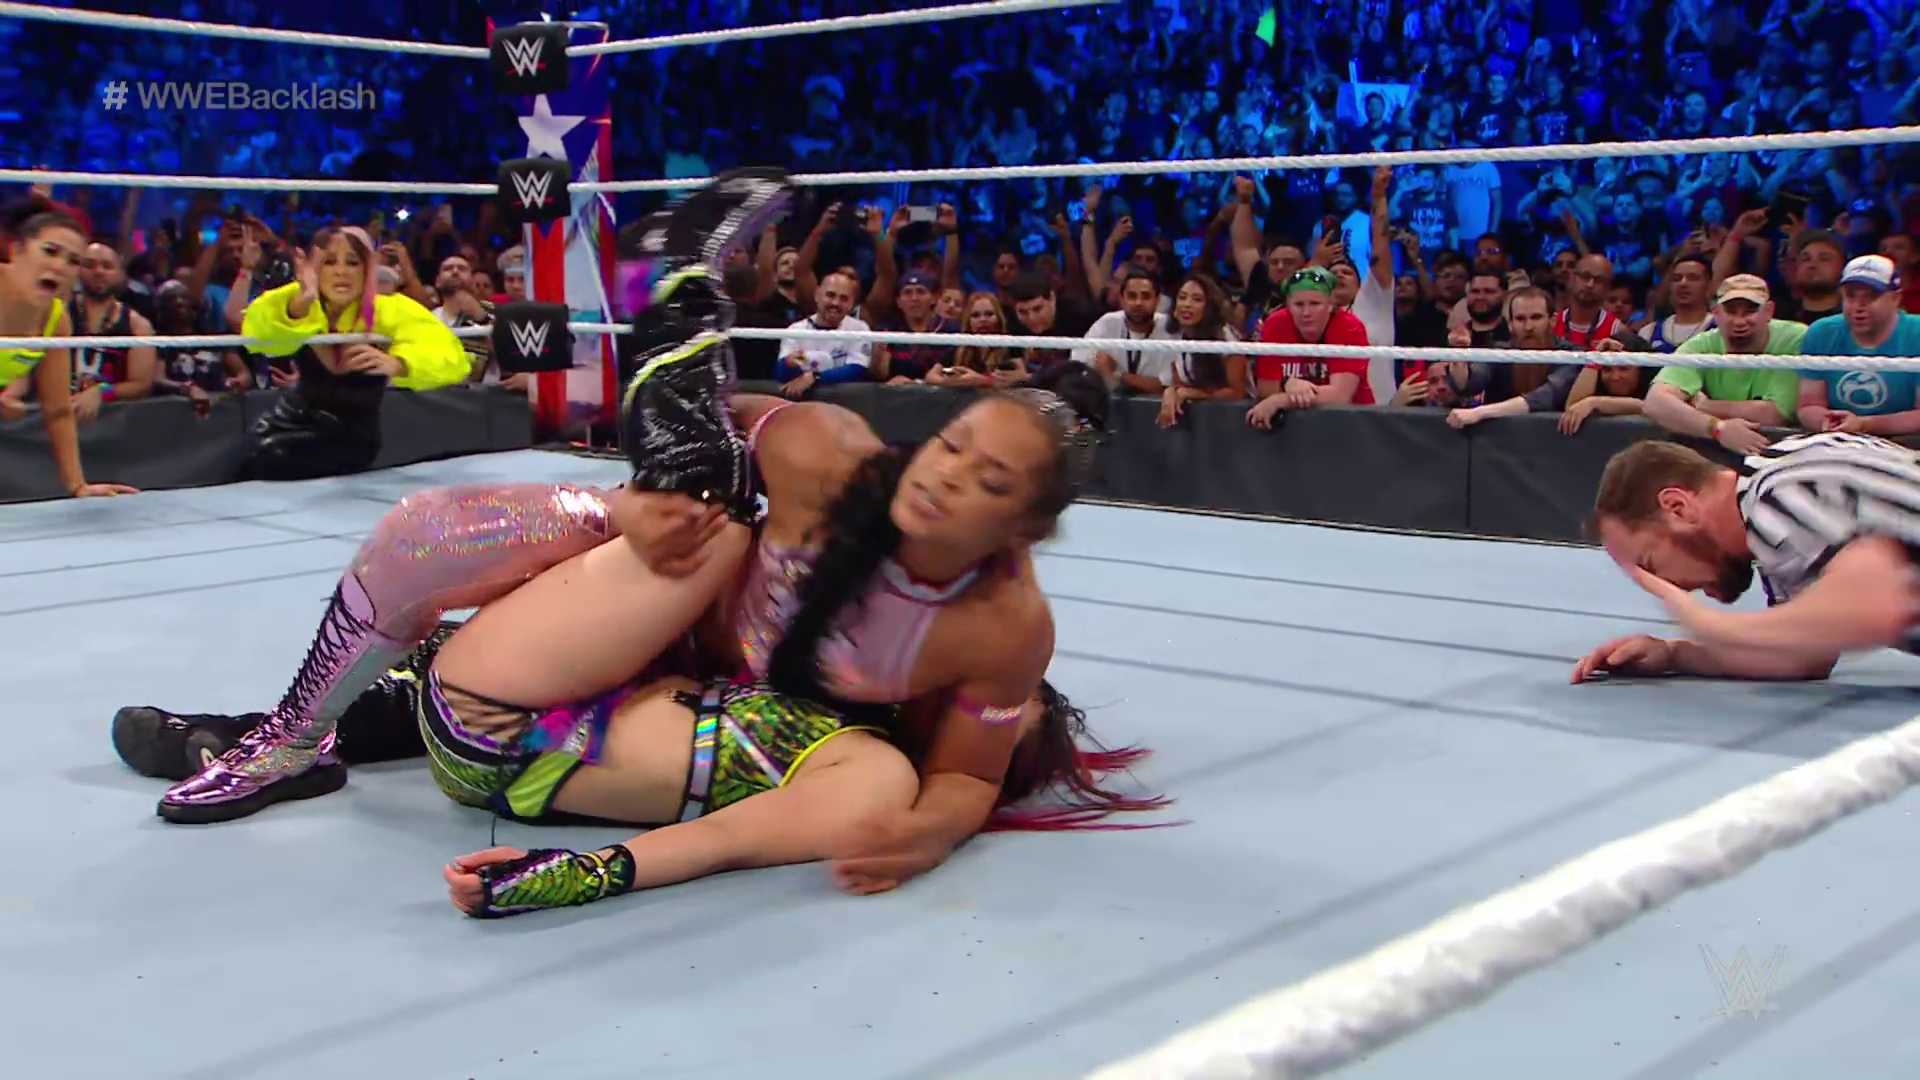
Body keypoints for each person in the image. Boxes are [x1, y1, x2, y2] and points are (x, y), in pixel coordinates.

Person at [151, 170, 1155, 895]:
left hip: (594, 686)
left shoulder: (990, 645)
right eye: (951, 445)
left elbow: (966, 777)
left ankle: (278, 737)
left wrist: (926, 835)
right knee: (702, 518)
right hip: (653, 589)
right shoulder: (831, 458)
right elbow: (717, 427)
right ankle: (281, 735)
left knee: (603, 590)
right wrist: (640, 497)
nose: (945, 477)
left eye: (988, 481)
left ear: (1025, 531)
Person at [1573, 432, 1920, 684]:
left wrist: (1710, 625)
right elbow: (1804, 656)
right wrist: (1675, 654)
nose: (1667, 586)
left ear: (1677, 508)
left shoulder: (1778, 498)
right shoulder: (1777, 479)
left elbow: (1872, 607)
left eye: (1650, 564)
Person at [241, 225, 472, 480]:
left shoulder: (388, 309)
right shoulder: (298, 302)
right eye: (329, 262)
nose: (341, 272)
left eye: (352, 262)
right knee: (240, 457)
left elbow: (448, 352)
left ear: (367, 269)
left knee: (271, 457)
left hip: (349, 437)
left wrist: (399, 363)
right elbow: (258, 336)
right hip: (288, 417)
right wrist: (302, 301)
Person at [0, 207, 136, 497]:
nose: (60, 266)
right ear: (16, 251)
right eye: (50, 251)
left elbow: (58, 410)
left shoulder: (56, 320)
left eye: (73, 261)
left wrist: (78, 485)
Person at [1795, 255, 1920, 435]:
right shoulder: (1822, 332)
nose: (1858, 306)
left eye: (1871, 297)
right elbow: (1808, 405)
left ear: (1895, 298)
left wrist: (1864, 425)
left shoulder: (1916, 333)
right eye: (1851, 296)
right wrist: (1828, 422)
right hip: (1834, 438)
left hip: (1907, 441)